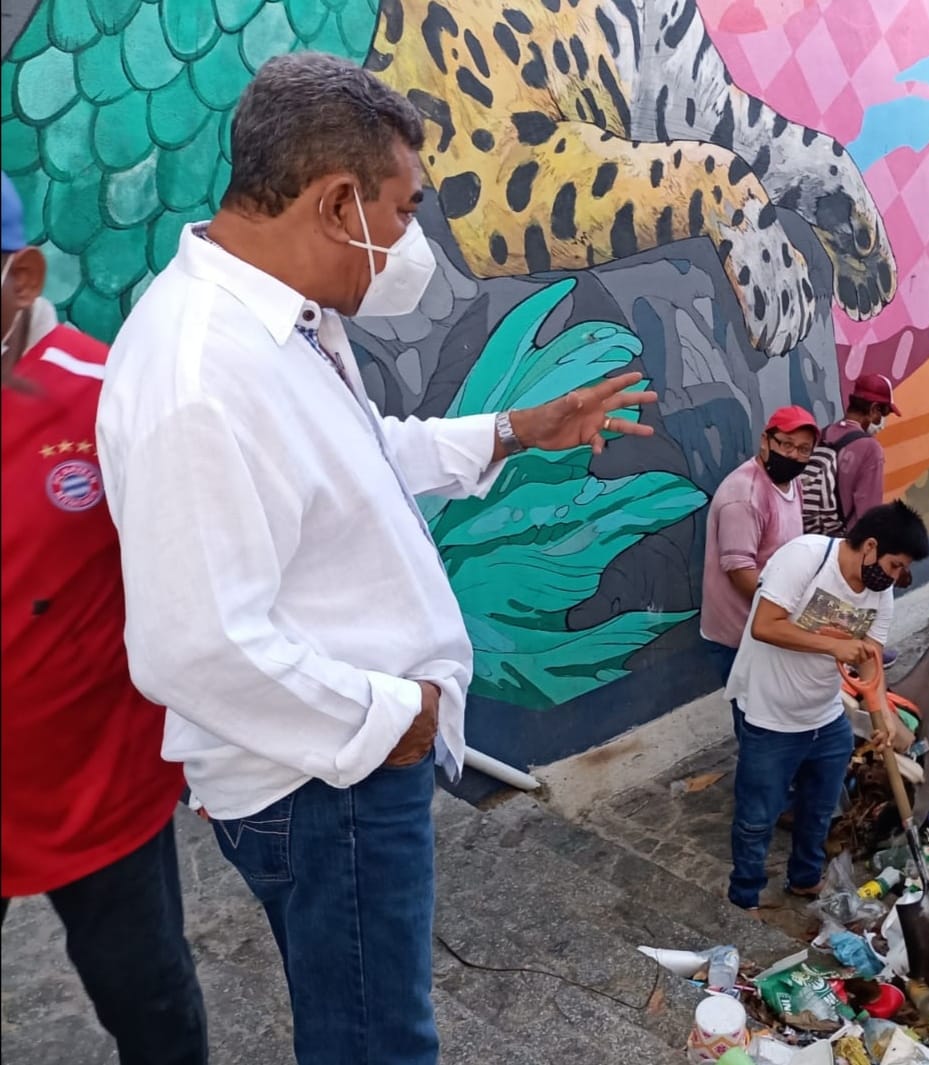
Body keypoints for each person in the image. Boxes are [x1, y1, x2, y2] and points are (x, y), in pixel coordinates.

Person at [94, 53, 655, 1065]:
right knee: (377, 1044)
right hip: (328, 781)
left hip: (348, 762)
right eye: (403, 212)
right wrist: (394, 718)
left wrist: (516, 430)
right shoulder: (200, 377)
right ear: (336, 201)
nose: (411, 243)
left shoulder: (284, 324)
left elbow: (358, 458)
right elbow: (190, 647)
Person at [1, 173, 208, 1065]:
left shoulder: (106, 396)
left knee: (149, 1002)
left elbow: (190, 574)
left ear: (23, 279)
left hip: (97, 794)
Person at [725, 502, 929, 909]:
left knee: (820, 811)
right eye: (892, 565)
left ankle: (804, 880)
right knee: (757, 819)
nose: (893, 578)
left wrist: (881, 715)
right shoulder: (805, 558)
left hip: (826, 713)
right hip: (770, 713)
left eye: (900, 570)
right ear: (869, 546)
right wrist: (834, 644)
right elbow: (765, 624)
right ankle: (743, 896)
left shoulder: (880, 594)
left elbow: (871, 658)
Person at [701, 405, 818, 682]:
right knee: (755, 720)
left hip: (771, 625)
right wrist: (791, 609)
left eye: (804, 449)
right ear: (765, 441)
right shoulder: (745, 495)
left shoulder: (792, 483)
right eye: (786, 444)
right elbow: (740, 572)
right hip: (741, 637)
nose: (794, 455)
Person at [802, 372, 899, 536]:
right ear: (874, 409)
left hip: (808, 538)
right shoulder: (871, 448)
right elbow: (869, 514)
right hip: (842, 544)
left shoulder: (823, 434)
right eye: (883, 414)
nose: (882, 422)